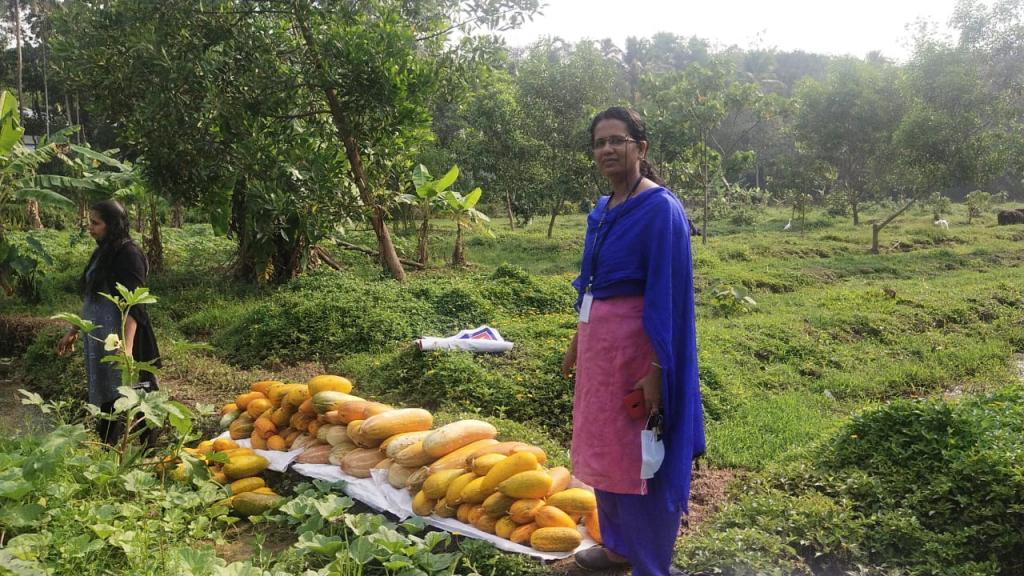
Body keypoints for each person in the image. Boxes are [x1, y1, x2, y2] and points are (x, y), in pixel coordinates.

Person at [563, 107, 705, 575]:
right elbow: (592, 283)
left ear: (640, 148)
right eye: (599, 142)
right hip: (600, 355)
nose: (606, 149)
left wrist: (657, 371)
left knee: (641, 459)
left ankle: (650, 564)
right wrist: (576, 342)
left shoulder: (661, 209)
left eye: (616, 140)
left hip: (639, 355)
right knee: (606, 447)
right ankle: (618, 547)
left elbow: (668, 294)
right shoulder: (602, 210)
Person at [57, 199, 161, 445]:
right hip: (101, 339)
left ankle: (151, 453)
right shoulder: (103, 251)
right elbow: (91, 299)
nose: (90, 228)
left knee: (137, 396)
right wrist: (74, 330)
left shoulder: (129, 253)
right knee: (108, 396)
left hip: (123, 340)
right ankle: (108, 451)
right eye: (90, 222)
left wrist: (127, 348)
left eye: (96, 223)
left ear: (112, 225)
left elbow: (135, 305)